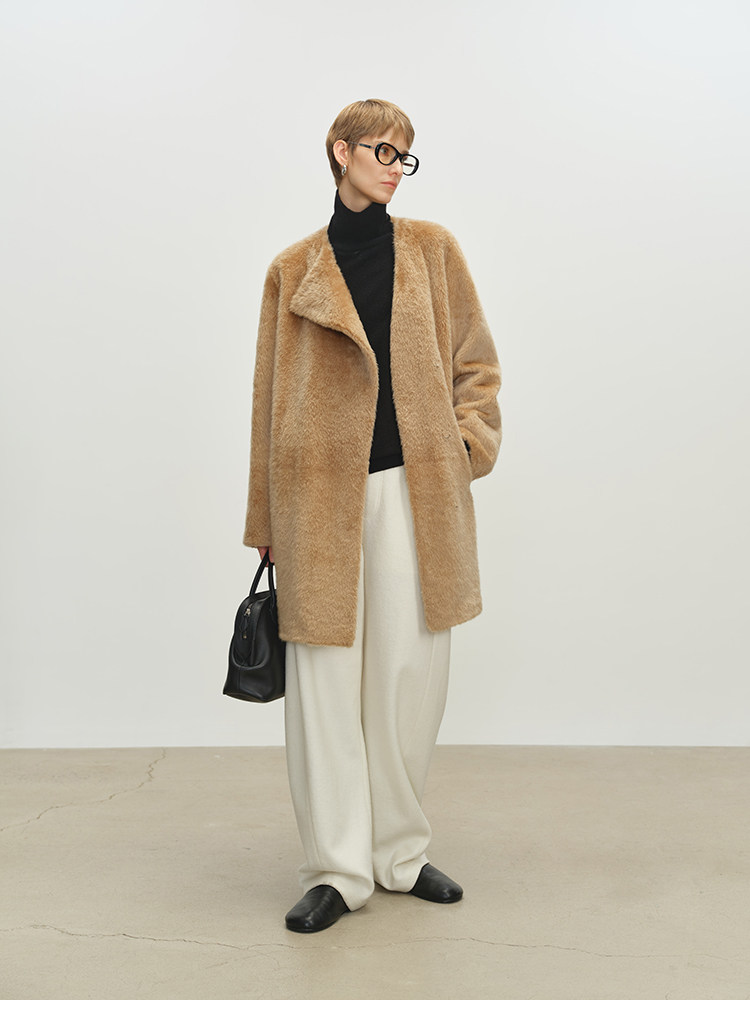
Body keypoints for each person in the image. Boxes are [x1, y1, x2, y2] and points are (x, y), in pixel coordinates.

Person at [243, 99, 502, 933]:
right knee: (324, 689)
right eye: (384, 151)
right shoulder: (293, 270)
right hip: (317, 500)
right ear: (341, 151)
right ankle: (337, 868)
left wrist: (465, 447)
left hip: (414, 491)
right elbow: (267, 401)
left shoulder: (432, 251)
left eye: (405, 156)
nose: (396, 168)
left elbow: (476, 364)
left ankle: (400, 853)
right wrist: (266, 522)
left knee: (407, 679)